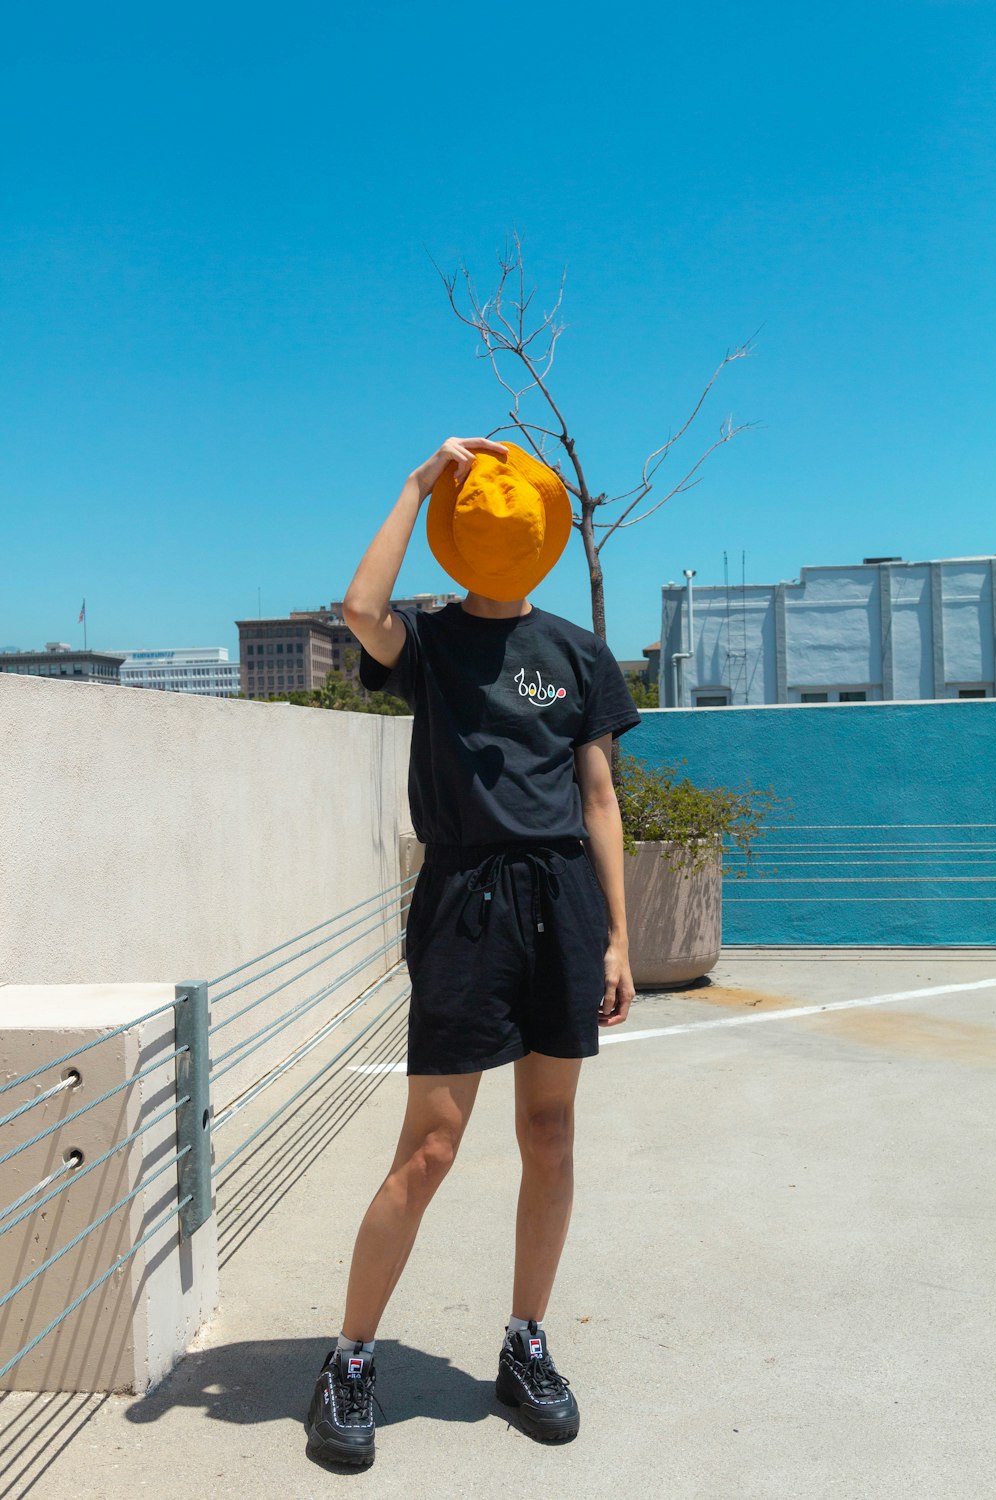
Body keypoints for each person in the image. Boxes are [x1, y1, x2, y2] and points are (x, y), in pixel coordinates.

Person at [305, 435, 641, 1467]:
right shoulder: (434, 645)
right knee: (432, 1146)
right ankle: (351, 1359)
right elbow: (360, 611)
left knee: (550, 1134)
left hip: (562, 899)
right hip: (463, 897)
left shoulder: (577, 650)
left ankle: (523, 1342)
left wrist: (620, 937)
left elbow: (596, 796)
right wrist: (413, 481)